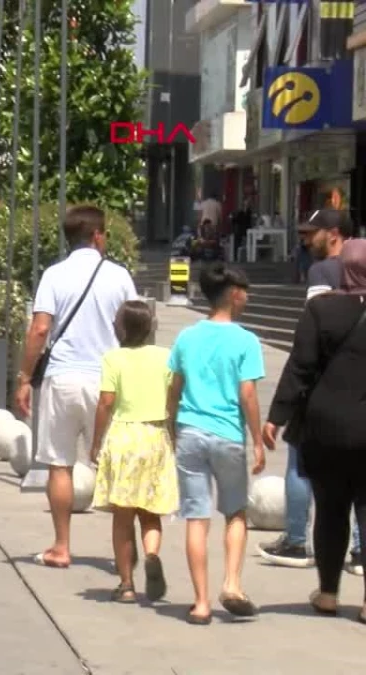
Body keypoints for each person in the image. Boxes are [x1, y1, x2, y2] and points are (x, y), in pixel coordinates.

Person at [16, 205, 138, 569]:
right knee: (113, 466)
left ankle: (61, 546)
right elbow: (136, 325)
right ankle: (124, 554)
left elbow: (40, 329)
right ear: (98, 236)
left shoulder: (54, 275)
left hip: (63, 378)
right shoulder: (119, 276)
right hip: (109, 381)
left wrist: (24, 377)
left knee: (60, 464)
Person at [265, 239, 366, 618]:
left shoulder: (320, 310)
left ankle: (327, 593)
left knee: (331, 510)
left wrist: (276, 416)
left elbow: (299, 369)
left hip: (327, 429)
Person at [167, 263, 265, 624]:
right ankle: (232, 584)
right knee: (236, 511)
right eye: (245, 290)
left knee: (196, 516)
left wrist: (170, 426)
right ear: (234, 294)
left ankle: (201, 603)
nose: (248, 296)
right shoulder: (245, 340)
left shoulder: (186, 338)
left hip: (190, 432)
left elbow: (174, 388)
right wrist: (257, 441)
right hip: (227, 435)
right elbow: (248, 394)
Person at [89, 300, 178, 604]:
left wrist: (96, 440)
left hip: (124, 436)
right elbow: (173, 399)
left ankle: (126, 584)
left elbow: (106, 402)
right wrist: (174, 434)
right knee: (150, 513)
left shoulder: (113, 359)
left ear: (122, 328)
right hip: (155, 435)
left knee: (122, 517)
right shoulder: (165, 357)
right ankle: (152, 554)